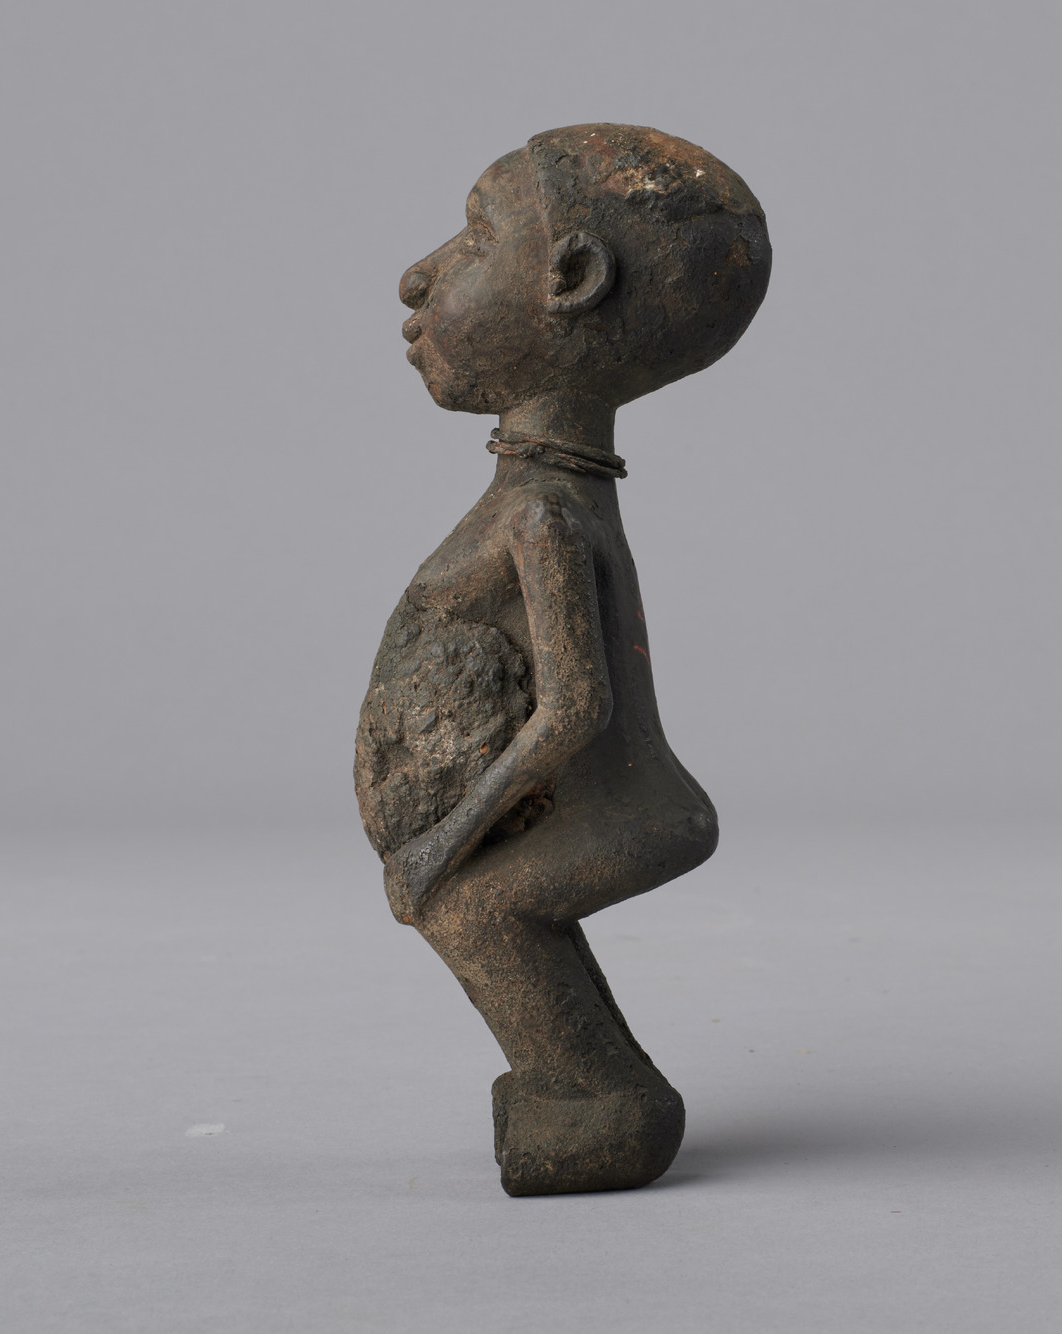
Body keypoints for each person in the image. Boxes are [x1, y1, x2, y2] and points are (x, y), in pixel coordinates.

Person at [355, 124, 770, 1195]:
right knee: (479, 908)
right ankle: (568, 1085)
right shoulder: (546, 492)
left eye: (474, 236)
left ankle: (608, 1104)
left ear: (573, 280)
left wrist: (443, 839)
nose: (418, 275)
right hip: (616, 800)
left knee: (470, 907)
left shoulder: (542, 511)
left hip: (637, 809)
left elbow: (577, 707)